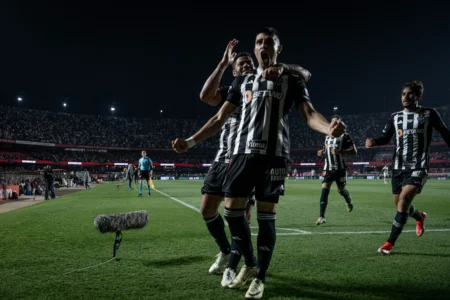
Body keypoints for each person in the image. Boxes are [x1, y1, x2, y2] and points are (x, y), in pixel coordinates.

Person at [172, 27, 345, 299]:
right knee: (231, 212)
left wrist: (328, 129)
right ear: (254, 49)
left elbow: (309, 113)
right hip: (241, 155)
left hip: (274, 157)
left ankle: (260, 277)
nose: (263, 46)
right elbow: (218, 118)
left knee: (266, 219)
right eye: (259, 42)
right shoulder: (241, 83)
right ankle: (249, 263)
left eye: (269, 43)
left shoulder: (292, 80)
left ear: (278, 48)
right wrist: (191, 142)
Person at [198, 39, 312, 286]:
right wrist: (221, 64)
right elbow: (207, 98)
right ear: (235, 70)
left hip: (250, 157)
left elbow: (303, 75)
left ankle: (240, 265)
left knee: (244, 215)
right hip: (224, 158)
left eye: (249, 61)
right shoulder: (236, 88)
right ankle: (229, 253)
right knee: (208, 209)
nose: (248, 64)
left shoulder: (270, 85)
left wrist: (283, 69)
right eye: (242, 63)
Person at [366, 80, 450, 255]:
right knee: (400, 205)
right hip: (398, 166)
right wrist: (374, 141)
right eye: (403, 94)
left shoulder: (429, 113)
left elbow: (444, 131)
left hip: (418, 165)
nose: (406, 97)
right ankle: (420, 216)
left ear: (418, 96)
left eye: (410, 93)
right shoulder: (395, 117)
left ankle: (390, 243)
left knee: (404, 200)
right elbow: (385, 137)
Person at [316, 115, 356, 225]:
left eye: (337, 123)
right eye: (332, 123)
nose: (334, 125)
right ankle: (322, 216)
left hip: (340, 169)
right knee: (324, 191)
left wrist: (341, 151)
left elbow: (354, 151)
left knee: (341, 190)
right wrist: (322, 152)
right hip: (328, 169)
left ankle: (348, 200)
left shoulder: (345, 136)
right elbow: (326, 150)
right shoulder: (327, 136)